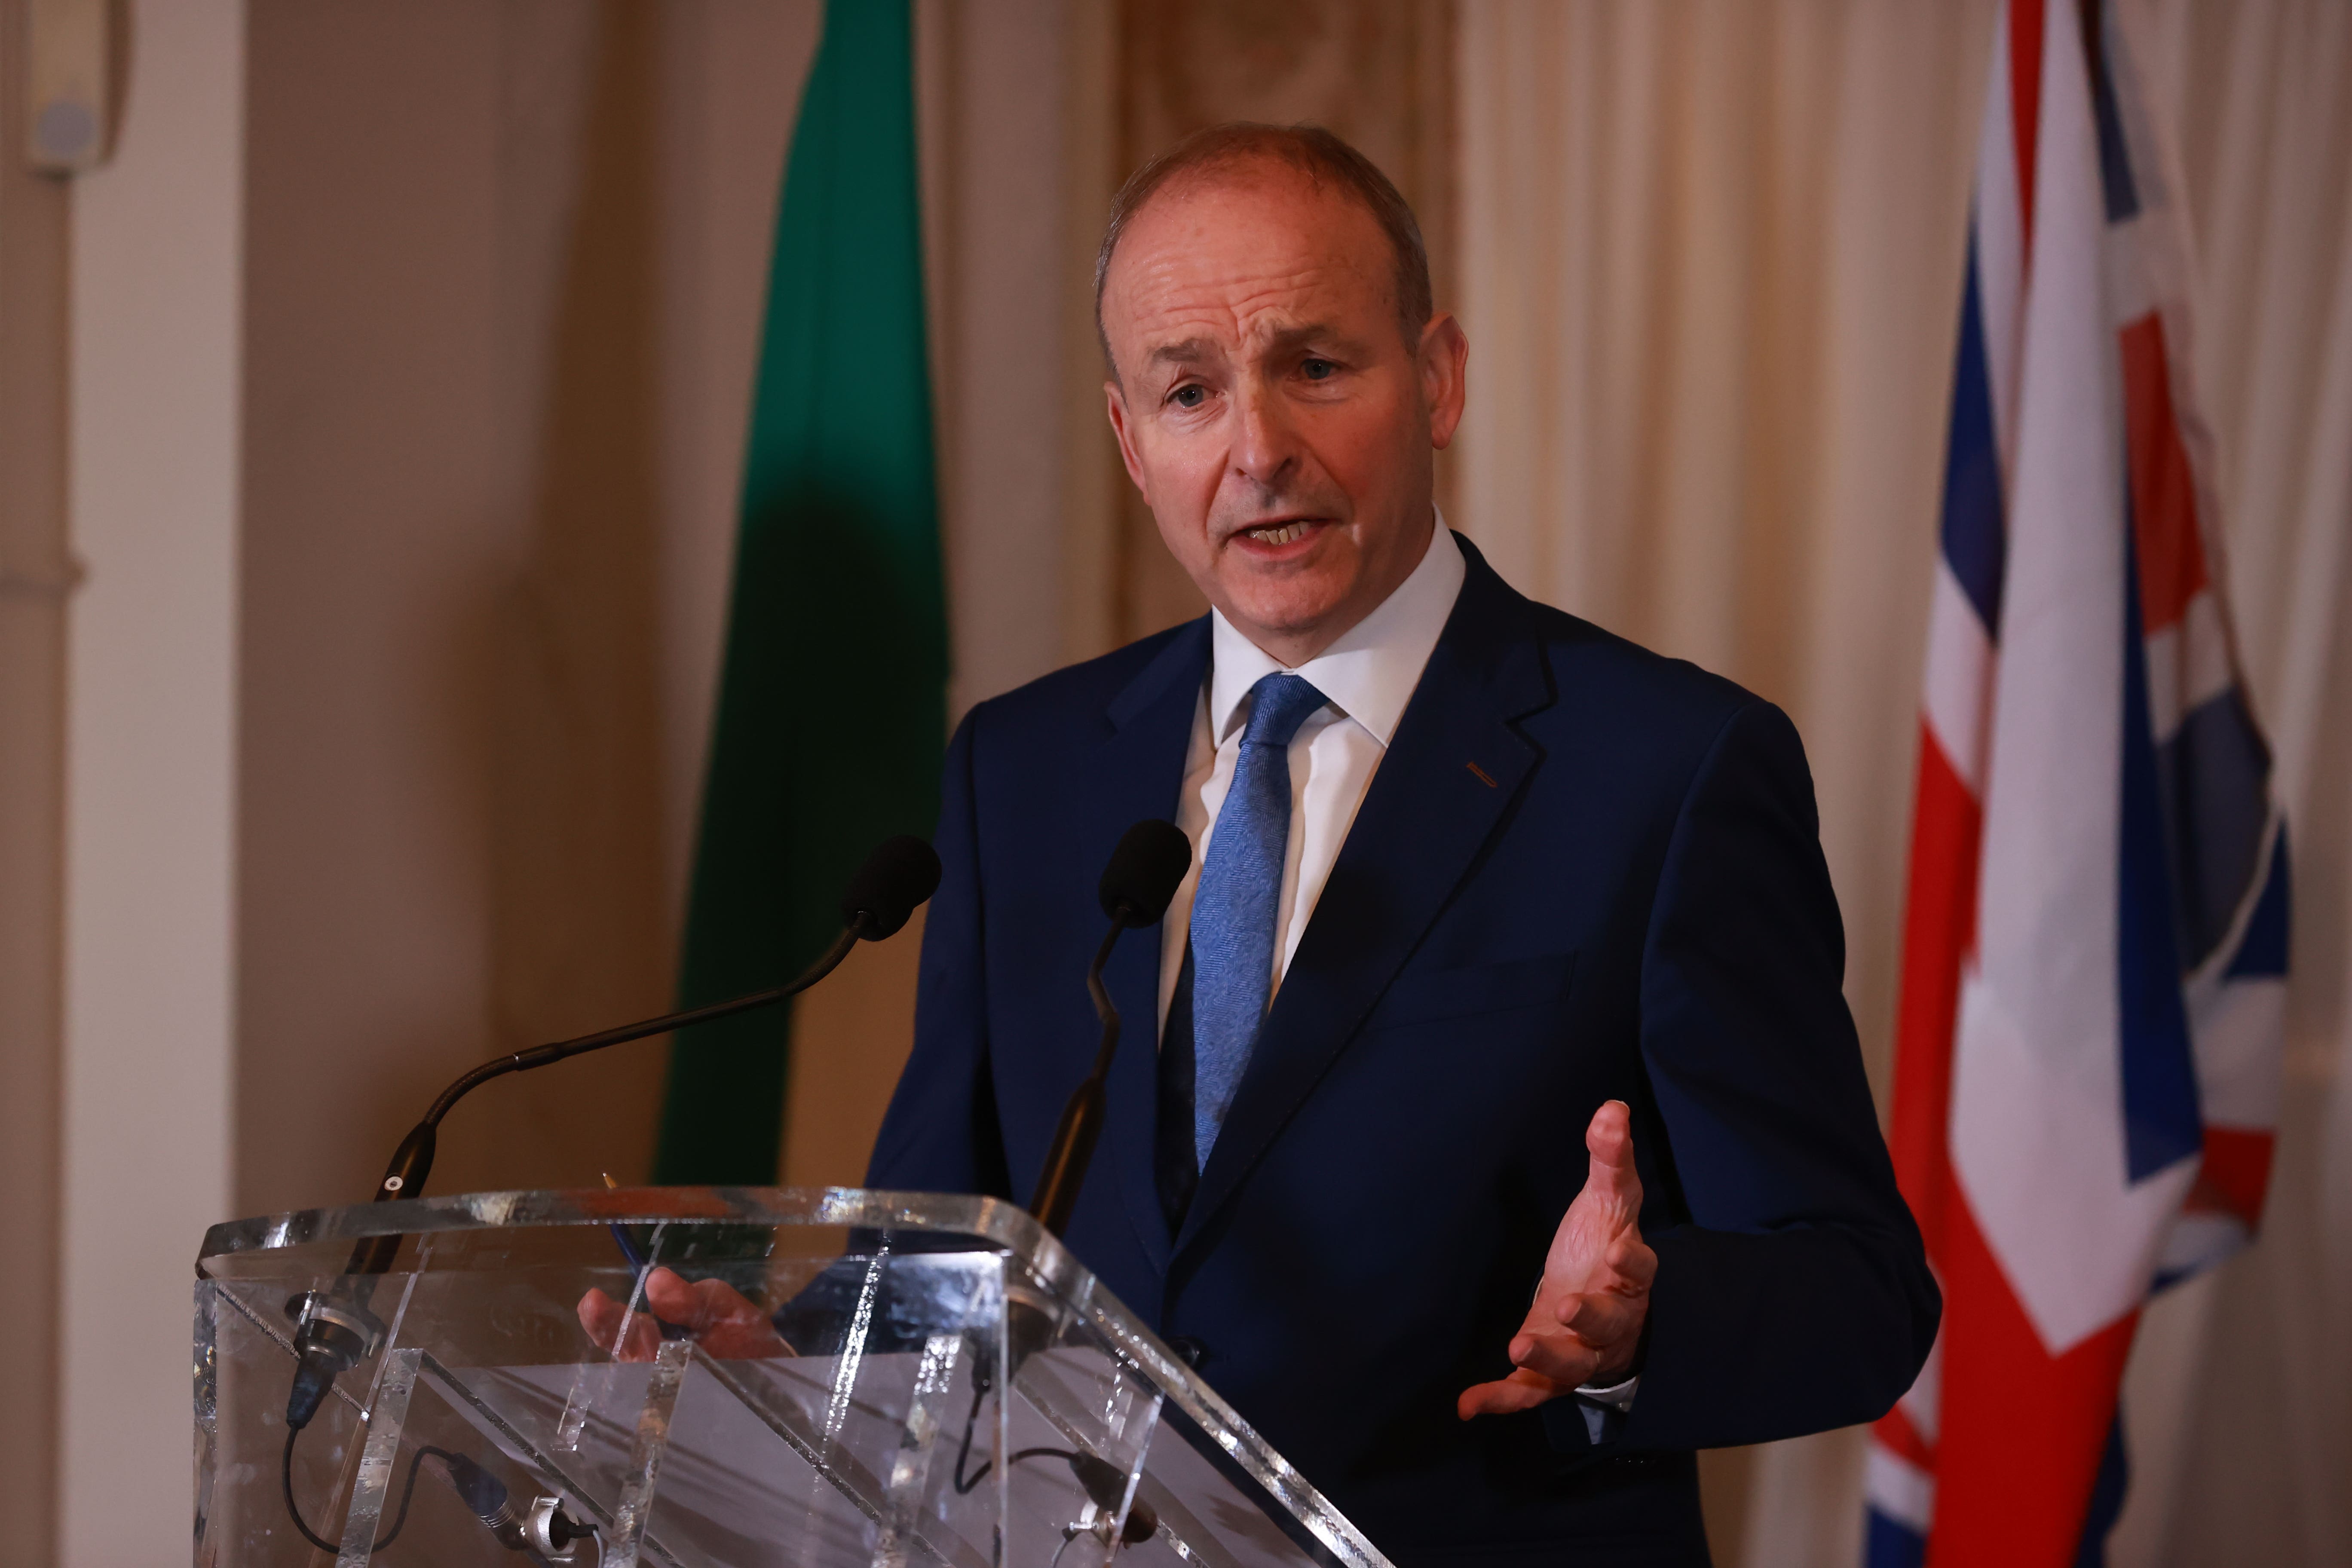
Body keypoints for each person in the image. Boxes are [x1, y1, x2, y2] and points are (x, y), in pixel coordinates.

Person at [588, 123, 1938, 1566]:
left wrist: (1633, 1328)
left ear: (1439, 379)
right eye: (1189, 391)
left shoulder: (1667, 769)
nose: (1257, 451)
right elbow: (949, 1249)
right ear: (1129, 438)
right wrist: (794, 1365)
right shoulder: (1025, 772)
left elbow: (1857, 1294)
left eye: (1316, 366)